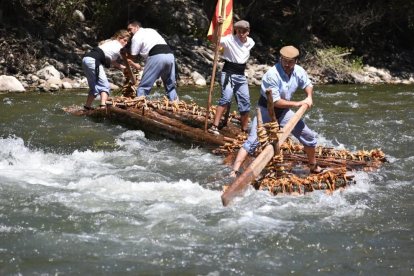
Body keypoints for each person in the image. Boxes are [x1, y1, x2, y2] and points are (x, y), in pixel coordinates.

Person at [230, 45, 322, 177]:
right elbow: (275, 101)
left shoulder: (298, 71)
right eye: (284, 61)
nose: (287, 64)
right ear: (280, 59)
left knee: (309, 137)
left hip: (284, 112)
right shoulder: (272, 75)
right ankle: (234, 171)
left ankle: (313, 166)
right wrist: (298, 103)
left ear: (296, 61)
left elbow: (308, 84)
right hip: (266, 111)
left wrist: (309, 97)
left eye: (290, 62)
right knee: (252, 142)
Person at [208, 18, 255, 135]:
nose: (241, 34)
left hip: (241, 76)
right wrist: (218, 26)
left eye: (243, 31)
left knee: (245, 101)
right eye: (238, 31)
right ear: (236, 31)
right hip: (228, 73)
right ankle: (214, 126)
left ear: (248, 31)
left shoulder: (251, 42)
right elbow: (214, 40)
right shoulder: (229, 40)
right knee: (226, 97)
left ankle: (244, 129)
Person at [126, 20, 178, 101]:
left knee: (143, 86)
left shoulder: (136, 36)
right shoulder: (151, 30)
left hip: (157, 56)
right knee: (170, 85)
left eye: (130, 29)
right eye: (128, 30)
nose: (129, 32)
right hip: (170, 55)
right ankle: (175, 102)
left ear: (137, 27)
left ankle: (140, 104)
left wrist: (126, 55)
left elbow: (133, 55)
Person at [82, 29, 130, 110]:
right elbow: (128, 60)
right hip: (93, 61)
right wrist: (137, 67)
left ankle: (87, 107)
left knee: (94, 87)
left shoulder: (110, 43)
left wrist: (123, 67)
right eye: (124, 40)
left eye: (127, 42)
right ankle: (103, 107)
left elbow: (112, 61)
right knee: (105, 86)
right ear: (119, 38)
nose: (125, 43)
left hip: (86, 59)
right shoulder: (118, 46)